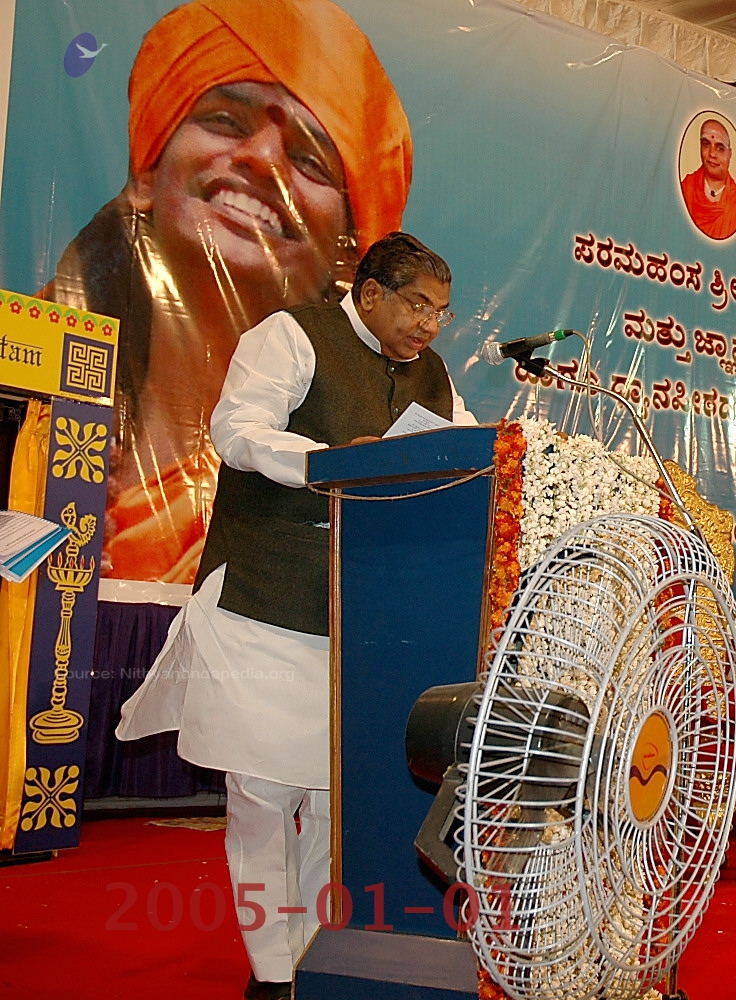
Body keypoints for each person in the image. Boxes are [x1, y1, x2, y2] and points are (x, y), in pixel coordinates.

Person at [117, 233, 476, 1000]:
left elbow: (467, 450)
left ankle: (314, 955)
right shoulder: (291, 336)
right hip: (263, 600)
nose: (429, 326)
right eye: (417, 305)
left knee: (329, 798)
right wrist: (332, 462)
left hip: (357, 620)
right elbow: (238, 430)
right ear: (370, 293)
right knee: (262, 796)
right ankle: (270, 972)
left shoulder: (434, 376)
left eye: (441, 313)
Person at [44, 0, 412, 589]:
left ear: (347, 252)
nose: (262, 159)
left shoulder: (342, 464)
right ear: (147, 172)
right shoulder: (37, 398)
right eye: (225, 121)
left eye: (309, 160)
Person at [680, 118, 736, 240]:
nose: (712, 154)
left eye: (720, 148)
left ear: (729, 154)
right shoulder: (685, 189)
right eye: (706, 145)